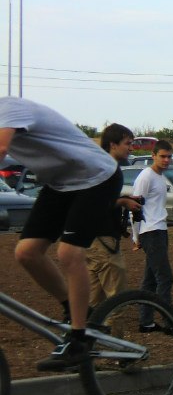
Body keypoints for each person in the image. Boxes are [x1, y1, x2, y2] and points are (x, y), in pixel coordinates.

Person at [1, 97, 123, 370]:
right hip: (60, 184)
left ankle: (79, 339)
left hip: (97, 177)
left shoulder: (8, 109)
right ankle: (77, 309)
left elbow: (1, 148)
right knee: (27, 253)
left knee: (68, 252)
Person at [86, 124, 141, 307]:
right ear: (113, 144)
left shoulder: (99, 166)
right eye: (128, 143)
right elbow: (96, 203)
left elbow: (101, 198)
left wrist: (124, 199)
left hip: (90, 240)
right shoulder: (108, 169)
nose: (131, 148)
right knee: (116, 303)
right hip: (103, 241)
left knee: (94, 303)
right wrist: (124, 202)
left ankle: (87, 326)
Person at [133, 140, 173, 330]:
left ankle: (146, 322)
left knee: (150, 279)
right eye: (162, 156)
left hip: (160, 230)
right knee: (165, 278)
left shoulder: (160, 177)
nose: (166, 160)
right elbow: (136, 208)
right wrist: (136, 236)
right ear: (153, 156)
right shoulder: (146, 176)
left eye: (169, 157)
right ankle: (170, 322)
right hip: (150, 231)